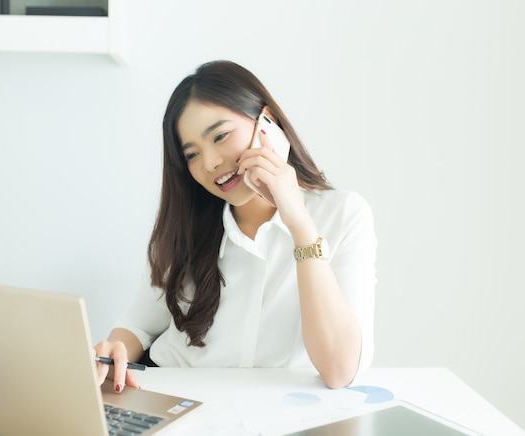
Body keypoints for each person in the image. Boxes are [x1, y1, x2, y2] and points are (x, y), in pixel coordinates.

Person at [94, 60, 377, 393]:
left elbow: (339, 370)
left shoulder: (342, 215)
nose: (210, 162)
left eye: (220, 136)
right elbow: (138, 326)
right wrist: (114, 350)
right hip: (178, 403)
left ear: (266, 124)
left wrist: (299, 224)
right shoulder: (184, 227)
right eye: (192, 154)